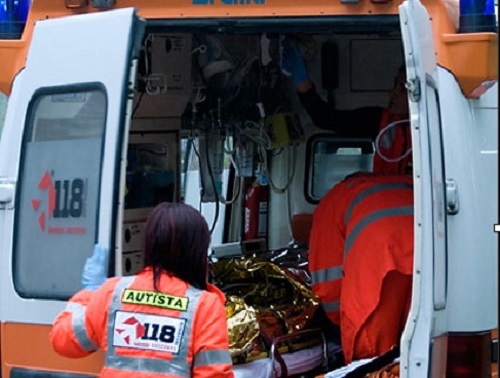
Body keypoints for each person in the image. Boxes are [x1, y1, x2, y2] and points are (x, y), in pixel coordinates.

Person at [50, 202, 235, 378]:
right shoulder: (204, 306)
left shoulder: (112, 293)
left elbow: (63, 340)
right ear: (197, 252)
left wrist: (89, 293)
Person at [281, 42, 412, 175]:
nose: (392, 93)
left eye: (401, 89)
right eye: (395, 85)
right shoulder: (382, 121)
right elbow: (327, 119)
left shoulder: (432, 132)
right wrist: (302, 82)